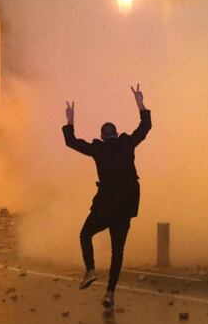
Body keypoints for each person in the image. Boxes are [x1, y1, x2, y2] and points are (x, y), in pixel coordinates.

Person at [63, 84, 152, 309]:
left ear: (102, 136)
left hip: (106, 205)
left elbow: (71, 142)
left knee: (85, 234)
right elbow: (146, 126)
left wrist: (70, 120)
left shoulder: (99, 149)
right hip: (126, 206)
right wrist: (140, 103)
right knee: (118, 251)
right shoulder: (127, 143)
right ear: (116, 132)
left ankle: (91, 270)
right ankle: (110, 293)